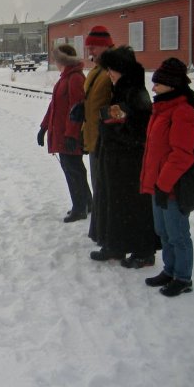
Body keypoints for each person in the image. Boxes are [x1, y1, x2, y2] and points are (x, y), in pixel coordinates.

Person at [89, 46, 160, 267]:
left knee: (135, 206)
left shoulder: (136, 93)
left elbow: (139, 130)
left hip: (130, 162)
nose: (109, 74)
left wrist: (112, 129)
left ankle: (144, 251)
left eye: (112, 70)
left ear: (123, 70)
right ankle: (115, 245)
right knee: (115, 203)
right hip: (116, 160)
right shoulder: (120, 89)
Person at [141, 58, 194, 296]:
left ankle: (183, 277)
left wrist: (164, 184)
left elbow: (182, 154)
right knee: (163, 232)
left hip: (172, 187)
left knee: (178, 235)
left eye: (157, 84)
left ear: (171, 85)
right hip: (159, 185)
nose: (153, 88)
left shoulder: (182, 112)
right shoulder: (162, 109)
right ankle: (170, 269)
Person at [38, 44, 91, 222]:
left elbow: (76, 109)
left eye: (56, 58)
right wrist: (43, 127)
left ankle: (80, 208)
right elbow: (54, 106)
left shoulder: (75, 78)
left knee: (73, 170)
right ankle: (87, 204)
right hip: (62, 133)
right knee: (74, 169)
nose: (55, 62)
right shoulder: (65, 78)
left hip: (68, 135)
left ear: (63, 60)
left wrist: (71, 134)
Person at [82, 26, 115, 239]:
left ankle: (108, 233)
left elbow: (122, 106)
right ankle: (101, 231)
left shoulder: (113, 70)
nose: (90, 51)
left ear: (104, 45)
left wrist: (104, 118)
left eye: (93, 47)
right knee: (98, 187)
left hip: (107, 140)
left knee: (106, 189)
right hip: (94, 138)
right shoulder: (97, 70)